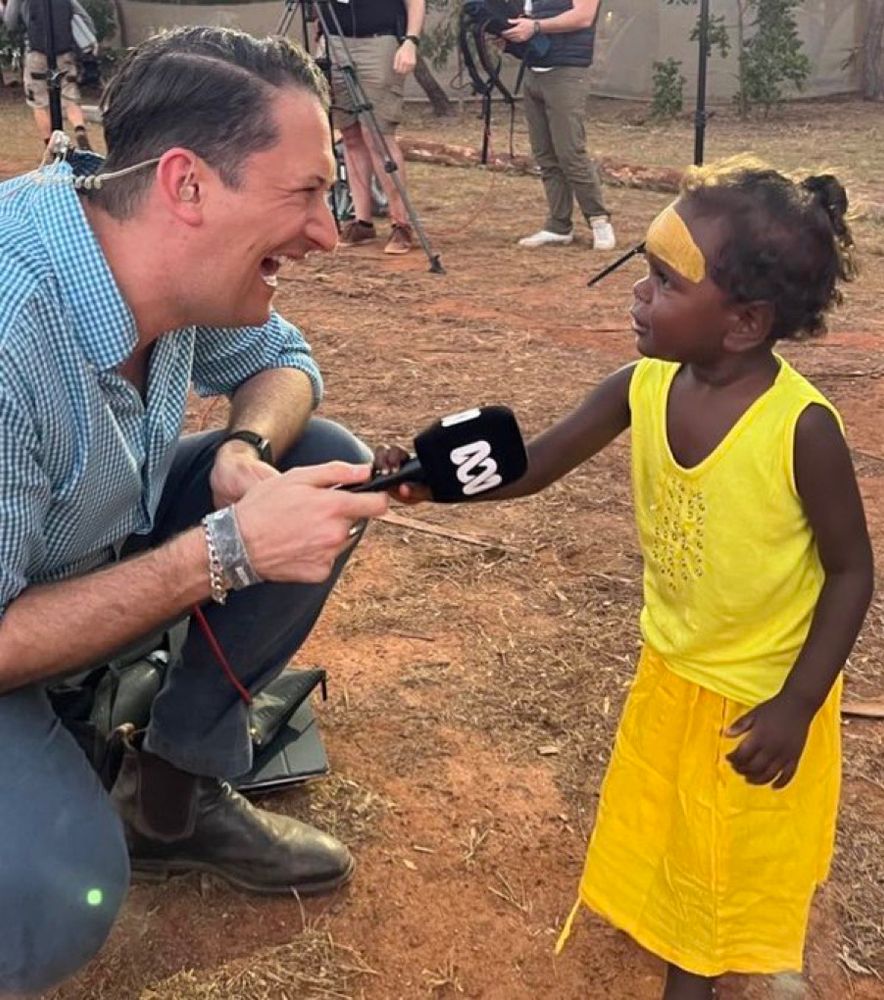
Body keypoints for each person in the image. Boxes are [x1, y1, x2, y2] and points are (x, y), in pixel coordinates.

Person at [375, 159, 874, 998]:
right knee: (683, 829)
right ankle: (701, 943)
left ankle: (701, 974)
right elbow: (531, 465)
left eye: (663, 281)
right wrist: (434, 477)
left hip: (757, 693)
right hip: (673, 672)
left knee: (729, 849)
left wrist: (796, 704)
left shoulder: (802, 430)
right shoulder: (640, 387)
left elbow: (853, 571)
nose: (637, 296)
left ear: (744, 322)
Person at [0, 26, 390, 996]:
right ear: (186, 186)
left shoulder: (141, 245)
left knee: (325, 458)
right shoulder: (11, 331)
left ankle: (169, 789)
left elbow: (286, 366)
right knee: (53, 895)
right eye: (304, 194)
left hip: (64, 548)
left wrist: (246, 450)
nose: (326, 231)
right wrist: (220, 550)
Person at [502, 0, 615, 251]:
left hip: (566, 71)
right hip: (534, 69)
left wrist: (536, 27)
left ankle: (599, 220)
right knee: (545, 153)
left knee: (570, 151)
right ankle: (558, 224)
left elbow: (583, 16)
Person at [317, 0, 425, 255]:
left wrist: (410, 41)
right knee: (351, 134)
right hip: (335, 41)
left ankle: (400, 223)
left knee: (377, 134)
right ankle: (362, 221)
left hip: (378, 42)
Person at [1, 0, 94, 149]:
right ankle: (79, 129)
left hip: (36, 53)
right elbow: (85, 18)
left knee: (39, 102)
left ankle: (50, 145)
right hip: (65, 53)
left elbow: (10, 22)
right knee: (70, 96)